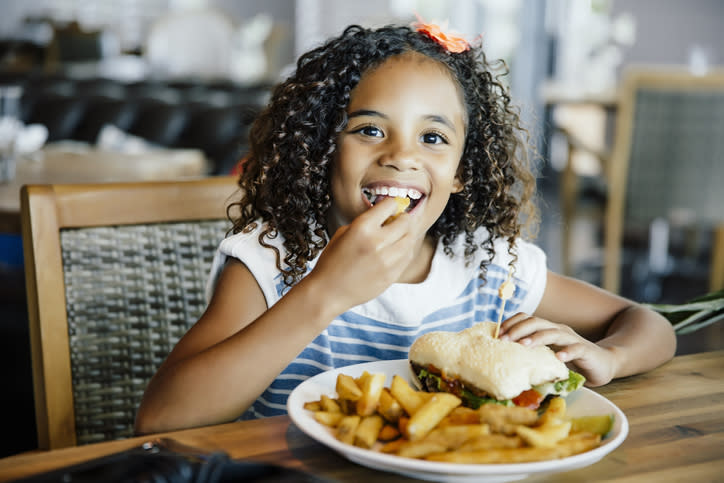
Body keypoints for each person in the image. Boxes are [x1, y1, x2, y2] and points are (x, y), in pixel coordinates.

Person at [135, 22, 676, 434]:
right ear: (324, 149)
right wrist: (324, 293)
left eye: (433, 138)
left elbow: (646, 322)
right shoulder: (272, 260)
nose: (401, 156)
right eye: (370, 129)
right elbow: (162, 419)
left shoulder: (489, 265)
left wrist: (610, 358)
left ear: (462, 172)